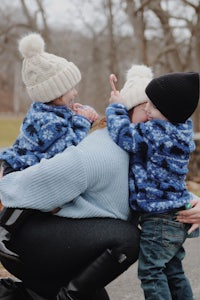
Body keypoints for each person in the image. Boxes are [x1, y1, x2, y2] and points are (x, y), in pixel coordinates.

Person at [0, 65, 154, 300]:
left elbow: (163, 191)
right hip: (21, 245)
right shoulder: (101, 153)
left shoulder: (142, 155)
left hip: (66, 244)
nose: (153, 119)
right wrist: (7, 180)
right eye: (147, 111)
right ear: (128, 112)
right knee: (127, 239)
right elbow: (31, 182)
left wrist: (193, 206)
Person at [0, 32, 98, 257]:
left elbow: (65, 128)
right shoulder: (49, 120)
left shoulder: (48, 111)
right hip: (23, 167)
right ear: (55, 92)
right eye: (70, 88)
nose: (75, 92)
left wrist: (77, 116)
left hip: (22, 162)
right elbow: (66, 151)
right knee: (25, 199)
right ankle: (4, 230)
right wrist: (84, 122)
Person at [106, 71, 200, 300]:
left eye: (153, 107)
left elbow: (123, 134)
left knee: (151, 272)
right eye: (146, 103)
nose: (147, 110)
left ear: (170, 112)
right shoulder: (180, 129)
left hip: (158, 219)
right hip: (172, 215)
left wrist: (116, 107)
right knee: (172, 271)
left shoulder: (158, 132)